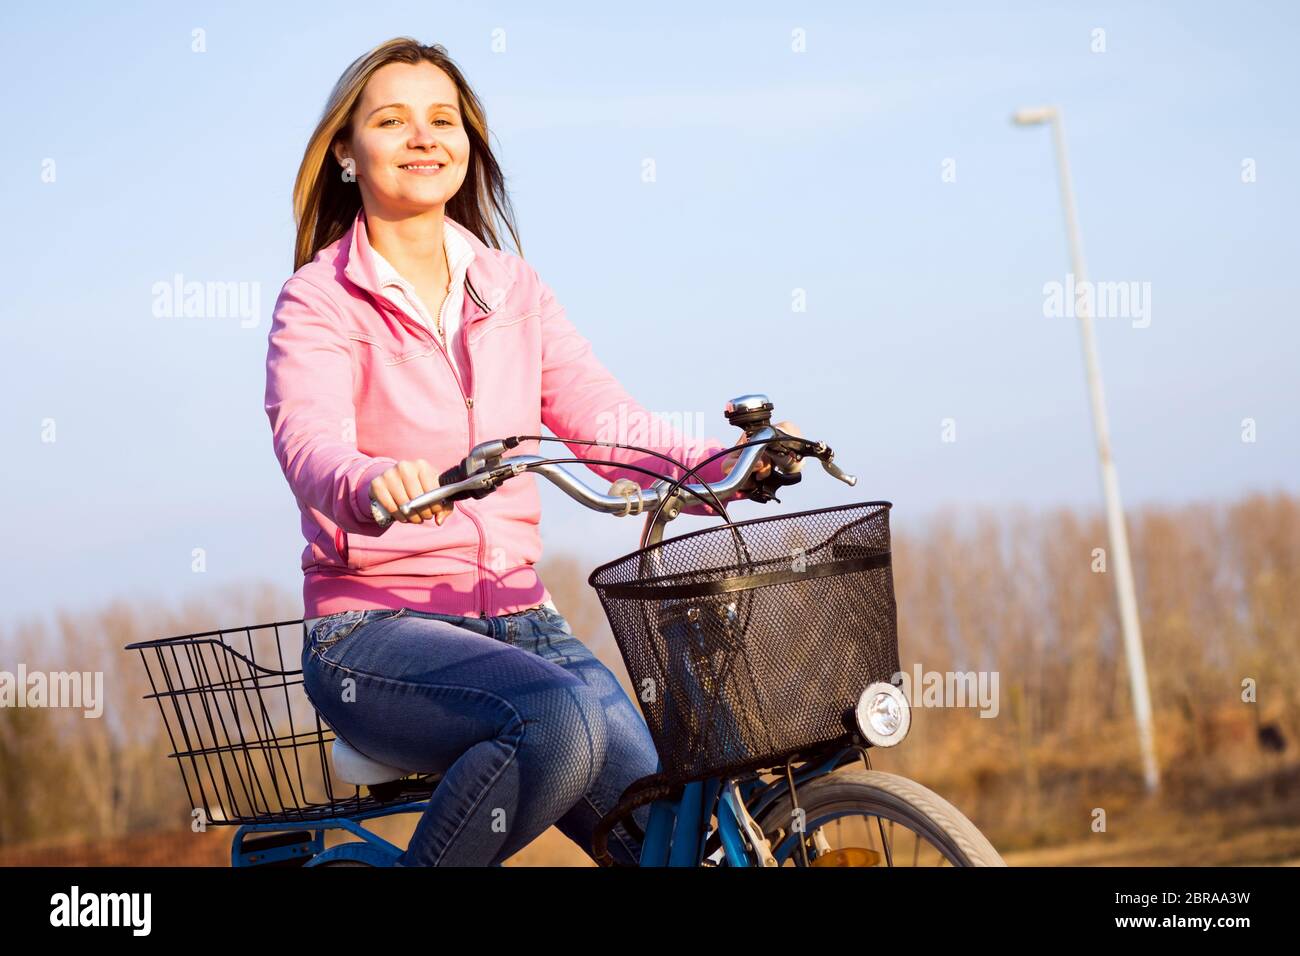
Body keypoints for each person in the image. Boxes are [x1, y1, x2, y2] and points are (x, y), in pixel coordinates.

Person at [264, 37, 795, 866]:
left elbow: (607, 425)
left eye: (443, 120)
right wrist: (373, 483)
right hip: (376, 632)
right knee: (559, 719)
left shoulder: (512, 289)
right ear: (345, 152)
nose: (423, 137)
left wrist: (727, 465)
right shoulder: (320, 300)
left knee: (665, 837)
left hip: (522, 623)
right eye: (393, 121)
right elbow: (310, 442)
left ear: (467, 146)